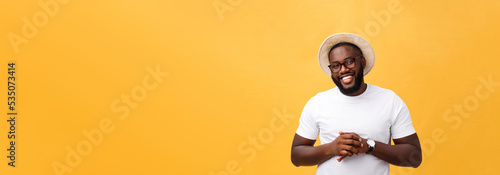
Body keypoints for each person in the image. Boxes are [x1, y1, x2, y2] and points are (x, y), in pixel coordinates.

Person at [290, 33, 422, 175]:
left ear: (362, 62)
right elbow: (296, 156)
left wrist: (368, 146)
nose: (343, 70)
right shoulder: (317, 103)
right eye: (335, 66)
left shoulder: (390, 100)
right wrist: (332, 148)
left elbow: (414, 157)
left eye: (349, 61)